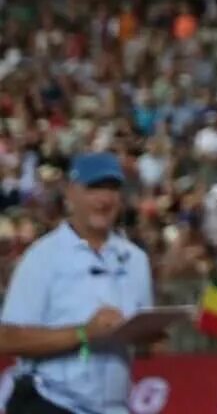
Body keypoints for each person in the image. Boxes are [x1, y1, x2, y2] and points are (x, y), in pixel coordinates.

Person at [0, 153, 156, 414]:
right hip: (51, 400)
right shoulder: (44, 256)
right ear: (71, 193)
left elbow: (143, 348)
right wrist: (83, 333)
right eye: (94, 188)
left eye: (112, 188)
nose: (104, 199)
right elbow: (7, 338)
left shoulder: (135, 260)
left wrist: (148, 335)